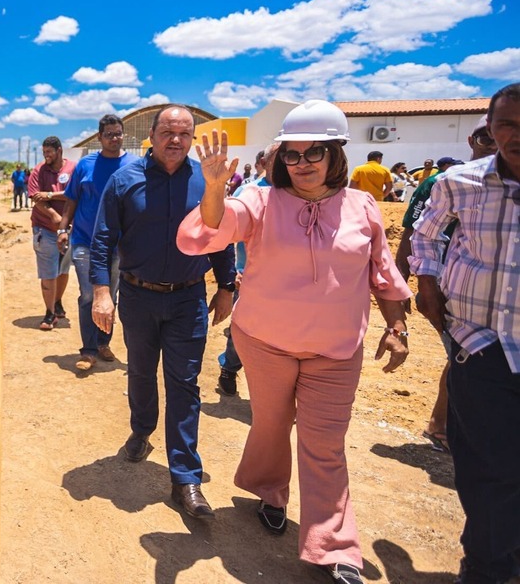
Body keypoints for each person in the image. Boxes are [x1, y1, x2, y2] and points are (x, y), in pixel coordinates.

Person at [177, 99, 411, 584]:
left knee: (325, 445)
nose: (302, 163)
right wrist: (216, 188)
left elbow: (383, 273)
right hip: (264, 342)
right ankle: (269, 491)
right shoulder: (260, 201)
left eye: (313, 153)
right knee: (271, 423)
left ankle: (337, 549)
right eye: (292, 154)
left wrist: (396, 325)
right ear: (280, 158)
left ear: (335, 154)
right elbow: (212, 232)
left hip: (336, 351)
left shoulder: (361, 205)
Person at [91, 105, 236, 519]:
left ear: (192, 139)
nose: (176, 140)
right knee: (139, 370)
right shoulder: (124, 180)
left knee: (185, 384)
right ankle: (141, 430)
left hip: (187, 299)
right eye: (167, 132)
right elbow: (103, 240)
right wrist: (103, 291)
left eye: (184, 133)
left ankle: (185, 478)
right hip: (137, 296)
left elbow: (221, 236)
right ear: (151, 136)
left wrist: (226, 286)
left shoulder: (205, 182)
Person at [410, 83, 520, 584]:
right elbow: (425, 233)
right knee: (484, 467)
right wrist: (426, 284)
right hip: (481, 345)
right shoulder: (460, 182)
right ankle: (486, 566)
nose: (516, 135)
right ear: (490, 129)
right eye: (507, 124)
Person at [395, 118, 492, 454]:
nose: (495, 144)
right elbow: (417, 233)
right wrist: (404, 284)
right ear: (471, 141)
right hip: (456, 294)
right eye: (486, 137)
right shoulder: (446, 183)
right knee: (465, 358)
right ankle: (444, 427)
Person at [57, 114, 133, 372]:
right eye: (109, 134)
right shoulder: (85, 166)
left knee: (111, 295)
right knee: (89, 294)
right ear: (99, 137)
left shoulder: (134, 165)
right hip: (85, 242)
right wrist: (62, 229)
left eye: (118, 133)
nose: (114, 138)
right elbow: (71, 200)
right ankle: (88, 350)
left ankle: (103, 343)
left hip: (119, 244)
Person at [216, 142, 278, 397]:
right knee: (243, 329)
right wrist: (233, 272)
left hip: (287, 282)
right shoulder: (248, 192)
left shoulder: (297, 193)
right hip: (249, 276)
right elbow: (228, 234)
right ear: (263, 164)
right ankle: (229, 369)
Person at [28, 136, 75, 331]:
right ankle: (49, 313)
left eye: (49, 152)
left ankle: (57, 302)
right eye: (44, 152)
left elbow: (75, 193)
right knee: (48, 272)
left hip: (70, 230)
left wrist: (50, 194)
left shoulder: (73, 169)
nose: (46, 156)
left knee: (63, 271)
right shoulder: (39, 171)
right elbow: (35, 197)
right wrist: (54, 215)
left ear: (59, 150)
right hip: (45, 230)